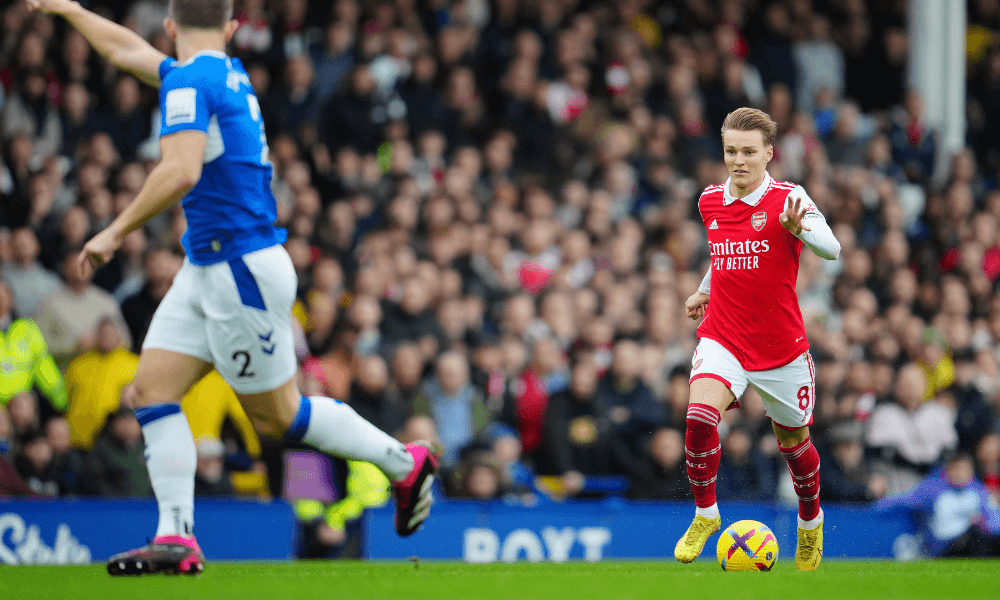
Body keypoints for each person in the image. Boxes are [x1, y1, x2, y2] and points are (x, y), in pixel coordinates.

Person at [27, 0, 437, 576]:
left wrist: (116, 231)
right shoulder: (224, 72)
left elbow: (182, 170)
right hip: (208, 267)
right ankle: (175, 537)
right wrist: (69, 9)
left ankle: (403, 463)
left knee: (279, 418)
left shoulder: (190, 80)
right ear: (230, 27)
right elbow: (126, 51)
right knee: (152, 391)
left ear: (170, 26)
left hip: (239, 271)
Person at [675, 107, 841, 571]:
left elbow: (833, 248)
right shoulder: (710, 200)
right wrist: (703, 290)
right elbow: (724, 254)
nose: (739, 161)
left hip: (780, 349)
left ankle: (810, 522)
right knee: (699, 417)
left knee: (794, 444)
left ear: (769, 153)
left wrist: (800, 229)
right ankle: (706, 513)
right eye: (731, 151)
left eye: (749, 152)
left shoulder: (789, 198)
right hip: (724, 336)